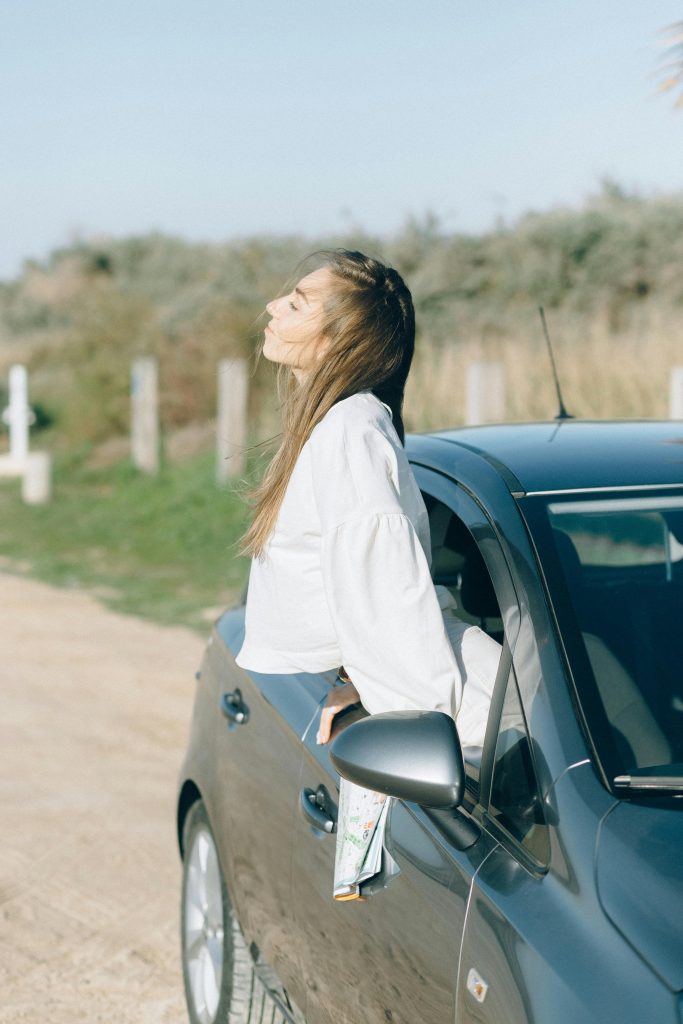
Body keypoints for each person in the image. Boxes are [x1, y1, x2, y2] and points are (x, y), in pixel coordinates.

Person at [233, 249, 499, 898]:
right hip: (398, 688)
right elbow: (362, 585)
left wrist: (411, 729)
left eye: (296, 302)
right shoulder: (338, 425)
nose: (273, 306)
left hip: (437, 705)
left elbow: (386, 588)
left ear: (340, 336)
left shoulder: (351, 430)